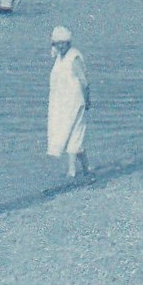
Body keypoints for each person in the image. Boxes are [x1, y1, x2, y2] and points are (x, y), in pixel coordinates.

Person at [47, 26, 90, 178]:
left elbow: (84, 81)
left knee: (74, 133)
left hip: (75, 101)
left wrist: (88, 99)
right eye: (57, 43)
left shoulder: (74, 56)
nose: (60, 46)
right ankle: (86, 168)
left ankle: (72, 170)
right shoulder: (59, 56)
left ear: (69, 43)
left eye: (63, 43)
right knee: (69, 132)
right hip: (62, 103)